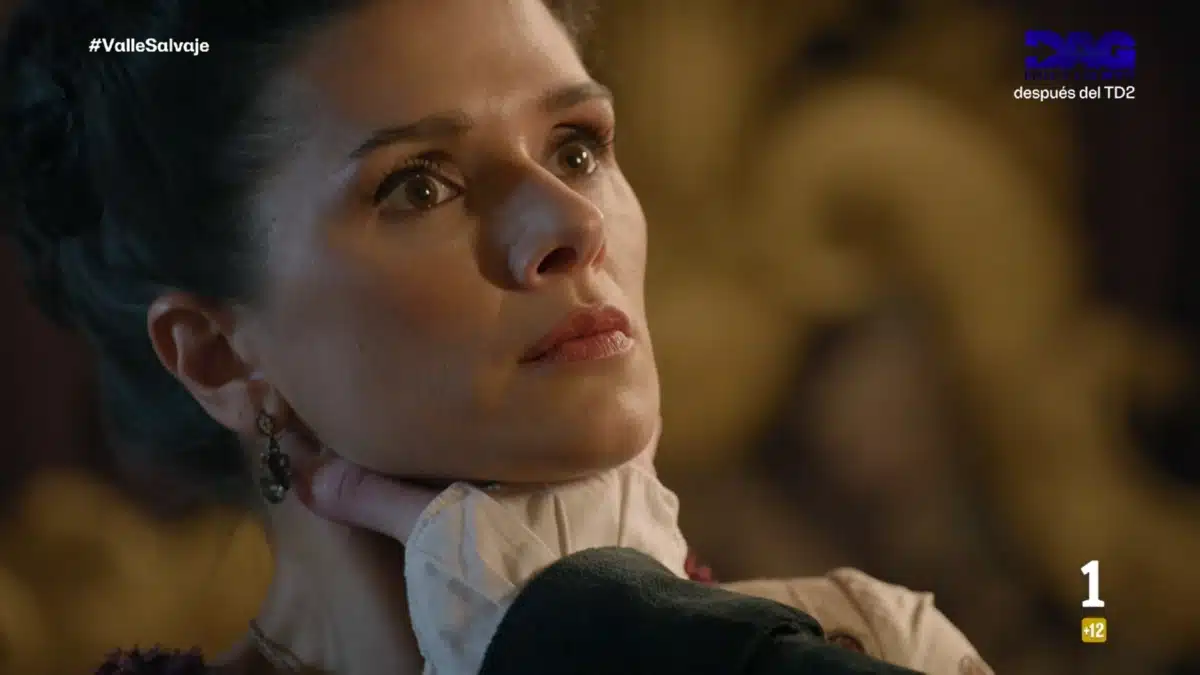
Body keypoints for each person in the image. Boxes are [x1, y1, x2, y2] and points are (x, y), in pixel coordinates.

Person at [0, 0, 992, 673]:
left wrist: (616, 630)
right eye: (419, 185)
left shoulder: (875, 642)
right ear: (218, 355)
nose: (574, 223)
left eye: (578, 147)